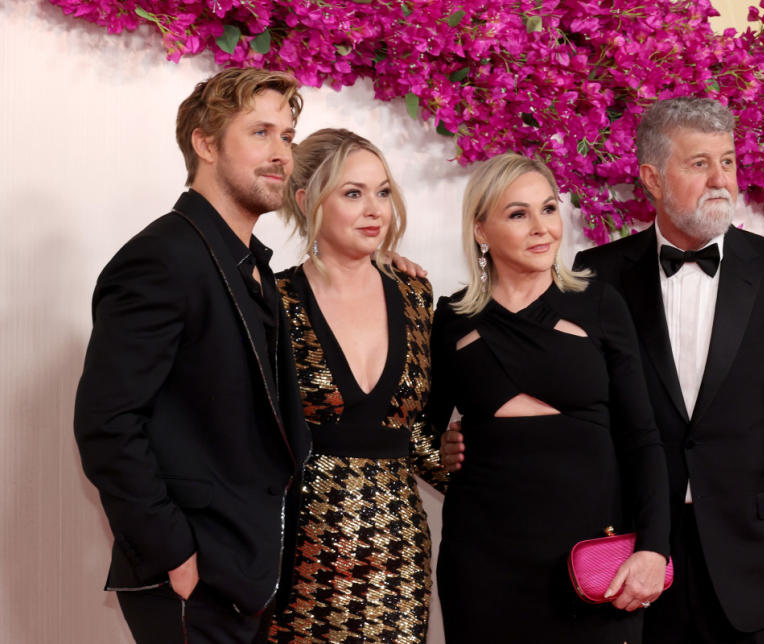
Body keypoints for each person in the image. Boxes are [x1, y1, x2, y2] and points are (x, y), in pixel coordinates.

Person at [446, 97, 764, 642]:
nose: (720, 179)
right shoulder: (593, 276)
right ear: (651, 177)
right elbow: (564, 406)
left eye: (729, 161)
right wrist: (462, 439)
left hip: (762, 564)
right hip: (630, 558)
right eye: (699, 163)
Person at [74, 68, 311, 643]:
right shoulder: (162, 257)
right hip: (193, 575)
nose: (281, 152)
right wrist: (174, 557)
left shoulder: (249, 261)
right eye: (260, 133)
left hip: (247, 573)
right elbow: (107, 425)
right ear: (206, 144)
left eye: (287, 135)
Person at [430, 153, 670, 643]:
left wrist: (654, 547)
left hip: (592, 558)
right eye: (518, 214)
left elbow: (643, 437)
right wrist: (440, 449)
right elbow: (418, 428)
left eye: (549, 208)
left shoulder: (600, 303)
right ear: (481, 230)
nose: (542, 228)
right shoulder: (452, 318)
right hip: (482, 562)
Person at [266, 129, 447, 643]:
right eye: (353, 192)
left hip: (400, 551)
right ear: (306, 202)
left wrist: (493, 479)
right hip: (304, 549)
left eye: (383, 191)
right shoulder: (274, 301)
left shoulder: (414, 292)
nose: (375, 209)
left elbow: (412, 431)